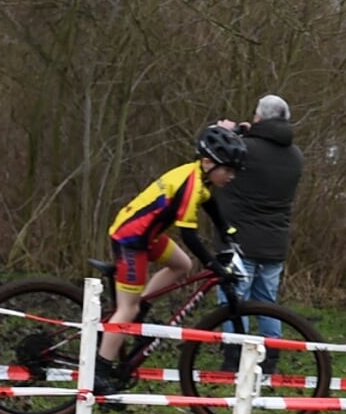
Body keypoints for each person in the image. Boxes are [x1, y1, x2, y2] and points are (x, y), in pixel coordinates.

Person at [94, 125, 245, 395]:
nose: (232, 176)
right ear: (209, 162)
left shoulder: (201, 178)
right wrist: (214, 266)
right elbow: (190, 236)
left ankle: (140, 307)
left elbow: (210, 204)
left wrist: (227, 229)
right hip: (131, 239)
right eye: (228, 169)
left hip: (147, 235)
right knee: (125, 309)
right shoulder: (191, 184)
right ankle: (100, 370)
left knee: (182, 265)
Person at [212, 94, 304, 372]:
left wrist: (225, 132)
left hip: (239, 239)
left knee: (233, 300)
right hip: (275, 241)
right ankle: (269, 359)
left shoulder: (244, 148)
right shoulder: (296, 156)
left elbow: (213, 156)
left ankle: (233, 357)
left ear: (260, 118)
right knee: (267, 301)